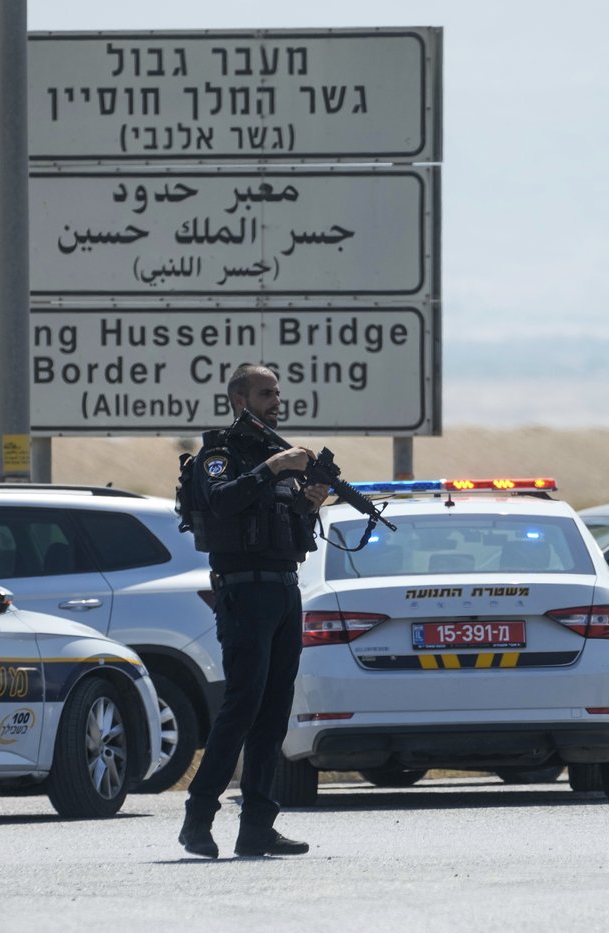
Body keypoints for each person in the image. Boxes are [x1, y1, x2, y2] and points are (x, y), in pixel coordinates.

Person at [178, 364, 328, 859]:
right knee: (242, 705)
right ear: (240, 400)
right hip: (243, 592)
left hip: (285, 590)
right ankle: (198, 819)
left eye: (277, 393)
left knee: (274, 711)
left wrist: (310, 504)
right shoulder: (219, 455)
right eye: (266, 394)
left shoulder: (274, 456)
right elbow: (221, 503)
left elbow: (292, 535)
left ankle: (258, 826)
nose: (275, 401)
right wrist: (274, 468)